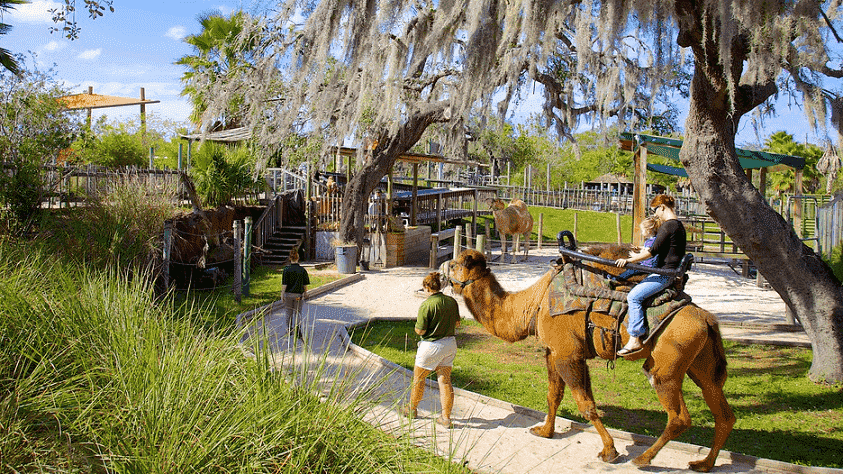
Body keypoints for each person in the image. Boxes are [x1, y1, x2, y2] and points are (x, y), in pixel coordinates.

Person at [615, 194, 686, 355]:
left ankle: (635, 338)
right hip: (669, 271)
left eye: (655, 210)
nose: (655, 214)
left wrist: (628, 261)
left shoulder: (668, 226)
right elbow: (657, 248)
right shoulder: (678, 226)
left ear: (662, 207)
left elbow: (652, 252)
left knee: (633, 297)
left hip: (663, 274)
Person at [403, 272, 461, 428]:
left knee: (419, 379)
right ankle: (446, 418)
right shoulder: (451, 302)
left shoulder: (426, 305)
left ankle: (412, 409)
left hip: (431, 346)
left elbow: (420, 331)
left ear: (427, 287)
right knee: (445, 381)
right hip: (449, 344)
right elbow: (457, 324)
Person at [613, 216, 660, 281]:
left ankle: (616, 279)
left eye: (642, 230)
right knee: (630, 268)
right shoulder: (654, 240)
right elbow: (647, 248)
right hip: (646, 264)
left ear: (648, 231)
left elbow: (648, 253)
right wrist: (639, 248)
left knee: (631, 270)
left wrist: (635, 256)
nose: (641, 232)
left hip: (648, 265)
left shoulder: (651, 241)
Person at [281, 247, 310, 340]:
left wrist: (282, 294)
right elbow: (305, 284)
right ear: (298, 258)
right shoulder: (302, 270)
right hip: (298, 295)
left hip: (288, 294)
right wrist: (305, 293)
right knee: (298, 312)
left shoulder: (286, 269)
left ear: (290, 258)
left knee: (288, 312)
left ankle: (288, 329)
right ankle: (298, 329)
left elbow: (284, 284)